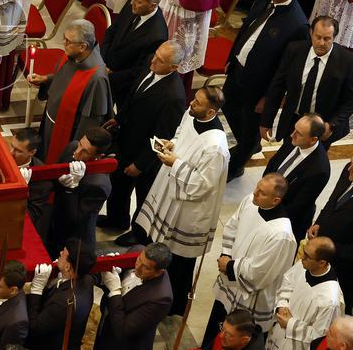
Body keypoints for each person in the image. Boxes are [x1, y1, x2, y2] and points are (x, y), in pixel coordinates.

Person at [136, 85, 229, 315]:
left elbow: (202, 185)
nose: (190, 104)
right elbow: (181, 133)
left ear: (210, 112)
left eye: (197, 103)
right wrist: (171, 144)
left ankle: (174, 308)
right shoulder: (191, 114)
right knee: (158, 246)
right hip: (170, 191)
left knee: (179, 264)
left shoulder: (215, 146)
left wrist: (175, 163)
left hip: (189, 208)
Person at [223, 0, 308, 180]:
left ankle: (238, 163)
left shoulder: (297, 25)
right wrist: (232, 58)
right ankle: (248, 144)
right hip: (238, 70)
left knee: (251, 128)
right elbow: (247, 28)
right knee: (228, 105)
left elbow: (286, 70)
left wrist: (269, 98)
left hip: (259, 87)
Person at [101, 41, 187, 244]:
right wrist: (119, 118)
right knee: (118, 184)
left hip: (144, 154)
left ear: (173, 68)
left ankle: (139, 233)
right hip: (126, 140)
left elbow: (162, 136)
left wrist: (141, 164)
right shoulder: (151, 65)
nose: (153, 60)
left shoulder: (173, 97)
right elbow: (133, 96)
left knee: (143, 196)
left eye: (160, 60)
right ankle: (116, 219)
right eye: (155, 54)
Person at [206, 173, 297, 344]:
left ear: (275, 200)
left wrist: (230, 266)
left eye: (262, 192)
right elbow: (232, 227)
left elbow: (261, 271)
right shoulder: (250, 201)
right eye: (257, 187)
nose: (254, 193)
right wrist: (226, 253)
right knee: (217, 329)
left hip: (249, 295)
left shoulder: (281, 234)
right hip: (229, 281)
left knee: (238, 339)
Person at [27, 19, 112, 163]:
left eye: (68, 41)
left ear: (83, 46)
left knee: (55, 161)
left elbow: (90, 122)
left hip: (65, 133)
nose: (64, 44)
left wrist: (77, 150)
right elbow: (66, 78)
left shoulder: (96, 78)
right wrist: (45, 79)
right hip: (51, 119)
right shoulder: (73, 56)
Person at [260, 16, 353, 147]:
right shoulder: (294, 50)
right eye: (318, 37)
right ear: (311, 33)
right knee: (281, 162)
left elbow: (350, 99)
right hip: (294, 121)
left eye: (327, 39)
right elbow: (278, 87)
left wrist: (331, 124)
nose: (321, 43)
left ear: (334, 38)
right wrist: (266, 121)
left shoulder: (347, 61)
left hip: (321, 127)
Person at [266, 238, 344, 350]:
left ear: (322, 262)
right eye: (304, 251)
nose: (302, 258)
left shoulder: (330, 300)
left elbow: (320, 336)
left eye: (307, 256)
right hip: (278, 335)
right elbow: (288, 282)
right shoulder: (304, 265)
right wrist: (282, 305)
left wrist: (290, 324)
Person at [94, 243, 174, 350]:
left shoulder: (161, 299)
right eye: (139, 260)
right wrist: (110, 266)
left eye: (146, 267)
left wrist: (115, 290)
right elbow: (110, 279)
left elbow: (123, 330)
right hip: (106, 323)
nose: (137, 267)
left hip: (124, 344)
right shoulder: (137, 250)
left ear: (159, 272)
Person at [266, 114, 332, 238]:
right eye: (294, 129)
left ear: (313, 139)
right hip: (268, 203)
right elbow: (273, 164)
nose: (292, 134)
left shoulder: (319, 170)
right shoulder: (294, 140)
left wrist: (268, 213)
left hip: (286, 222)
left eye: (299, 133)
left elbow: (297, 206)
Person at [48, 127, 112, 253]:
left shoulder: (99, 184)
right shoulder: (72, 147)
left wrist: (71, 189)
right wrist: (59, 182)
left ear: (99, 156)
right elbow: (54, 177)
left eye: (85, 152)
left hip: (75, 238)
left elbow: (76, 219)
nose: (77, 152)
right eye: (80, 144)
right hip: (55, 218)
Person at [25, 238, 96, 350]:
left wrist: (37, 290)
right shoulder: (88, 279)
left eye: (63, 254)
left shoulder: (62, 303)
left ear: (68, 267)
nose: (60, 253)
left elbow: (34, 328)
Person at [100, 0, 169, 96]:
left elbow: (140, 70)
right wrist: (102, 61)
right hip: (103, 65)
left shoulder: (157, 35)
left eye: (138, 2)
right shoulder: (132, 3)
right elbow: (112, 31)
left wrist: (110, 75)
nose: (133, 3)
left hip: (121, 85)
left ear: (152, 5)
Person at [311, 164, 353, 315]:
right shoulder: (349, 170)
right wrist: (319, 222)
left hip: (345, 268)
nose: (349, 168)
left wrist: (326, 248)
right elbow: (333, 199)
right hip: (322, 254)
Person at [8, 129, 51, 239]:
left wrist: (21, 191)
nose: (11, 152)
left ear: (32, 152)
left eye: (18, 150)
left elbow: (31, 215)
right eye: (11, 146)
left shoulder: (42, 178)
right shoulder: (5, 154)